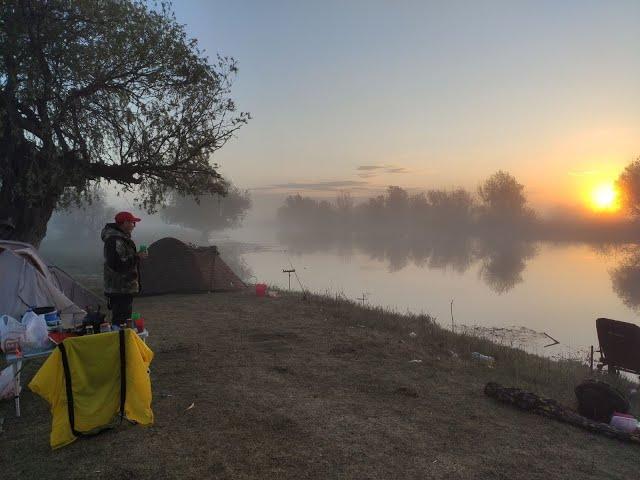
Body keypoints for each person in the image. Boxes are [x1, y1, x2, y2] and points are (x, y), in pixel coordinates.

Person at [101, 211, 147, 326]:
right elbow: (118, 264)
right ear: (125, 223)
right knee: (121, 322)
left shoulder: (120, 239)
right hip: (120, 288)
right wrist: (137, 257)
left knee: (123, 320)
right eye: (132, 223)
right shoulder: (115, 240)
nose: (133, 226)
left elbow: (122, 259)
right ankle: (120, 343)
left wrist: (136, 256)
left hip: (123, 288)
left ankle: (122, 341)